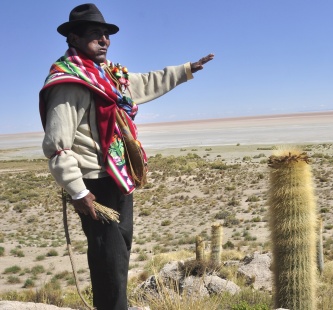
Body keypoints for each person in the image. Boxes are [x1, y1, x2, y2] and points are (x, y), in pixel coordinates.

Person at [39, 3, 214, 309]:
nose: (104, 40)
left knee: (119, 251)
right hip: (93, 183)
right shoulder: (69, 83)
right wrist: (78, 191)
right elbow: (57, 145)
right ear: (74, 40)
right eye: (95, 34)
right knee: (109, 254)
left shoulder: (107, 76)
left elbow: (143, 82)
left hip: (118, 177)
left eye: (106, 34)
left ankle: (113, 305)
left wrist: (185, 70)